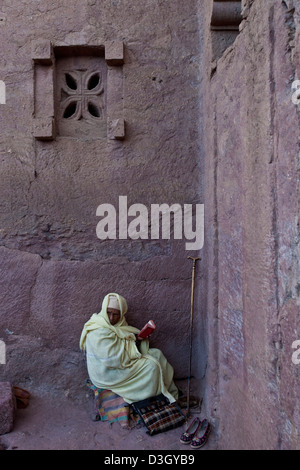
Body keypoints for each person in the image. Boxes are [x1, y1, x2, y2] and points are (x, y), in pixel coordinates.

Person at [79, 292, 179, 405]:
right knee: (152, 366)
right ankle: (153, 398)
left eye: (116, 314)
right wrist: (135, 342)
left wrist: (138, 338)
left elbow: (122, 342)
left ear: (122, 314)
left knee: (157, 354)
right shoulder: (97, 329)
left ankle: (171, 393)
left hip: (120, 362)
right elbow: (112, 359)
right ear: (103, 310)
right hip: (106, 372)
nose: (111, 318)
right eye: (108, 313)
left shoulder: (120, 324)